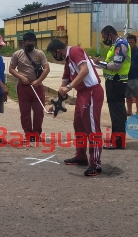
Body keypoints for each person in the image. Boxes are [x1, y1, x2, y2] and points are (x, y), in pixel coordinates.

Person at [47, 39, 104, 176]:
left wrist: (69, 87)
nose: (54, 57)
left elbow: (83, 71)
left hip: (91, 92)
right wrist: (57, 102)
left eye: (53, 54)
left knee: (91, 128)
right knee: (78, 125)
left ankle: (95, 164)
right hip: (82, 93)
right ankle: (80, 156)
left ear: (58, 51)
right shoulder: (68, 60)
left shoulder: (75, 52)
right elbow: (65, 82)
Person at [93, 25, 131, 149]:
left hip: (117, 82)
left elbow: (116, 65)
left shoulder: (120, 45)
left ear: (110, 35)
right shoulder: (115, 45)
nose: (104, 39)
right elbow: (110, 63)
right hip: (113, 82)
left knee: (118, 113)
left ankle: (118, 142)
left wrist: (101, 63)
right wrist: (96, 63)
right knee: (115, 112)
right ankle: (116, 138)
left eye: (104, 37)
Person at [9, 32, 50, 144]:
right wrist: (21, 77)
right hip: (23, 87)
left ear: (35, 42)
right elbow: (11, 69)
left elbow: (46, 68)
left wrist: (38, 81)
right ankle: (28, 134)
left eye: (32, 43)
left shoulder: (40, 54)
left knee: (39, 112)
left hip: (37, 86)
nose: (30, 46)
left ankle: (36, 133)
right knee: (25, 111)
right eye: (28, 44)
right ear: (23, 43)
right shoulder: (17, 54)